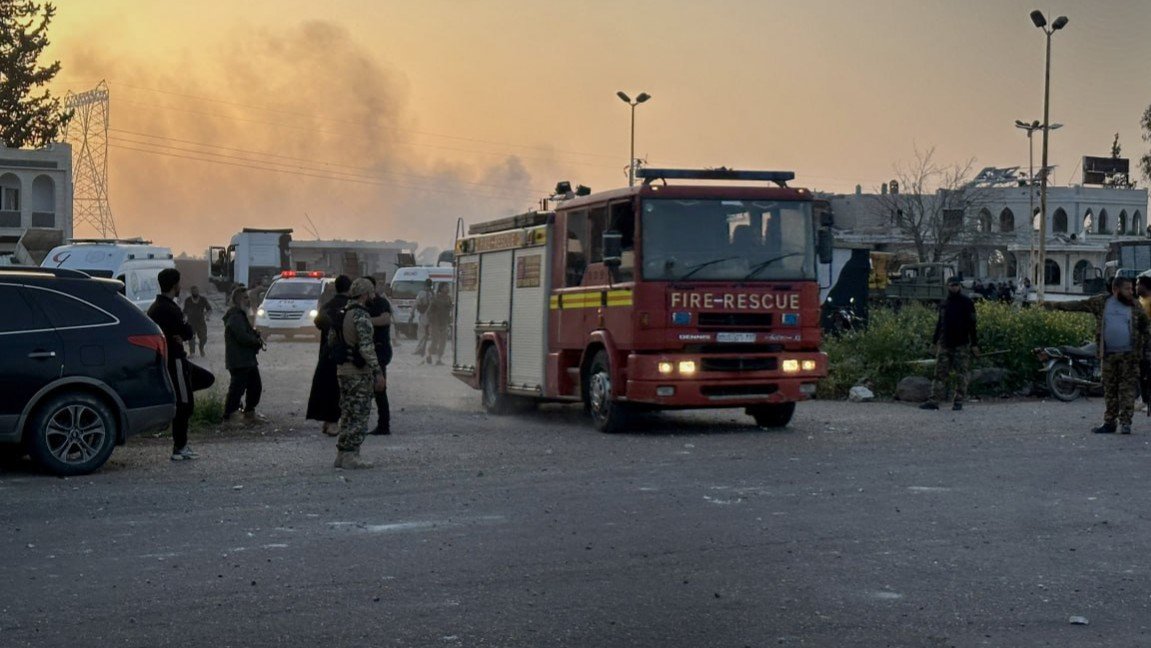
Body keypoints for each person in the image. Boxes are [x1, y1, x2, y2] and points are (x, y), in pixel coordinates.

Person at [1046, 275, 1151, 434]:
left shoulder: (1135, 306)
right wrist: (1054, 305)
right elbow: (1078, 305)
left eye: (1131, 288)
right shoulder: (1102, 303)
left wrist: (1145, 350)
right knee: (1110, 389)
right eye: (1127, 289)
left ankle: (1126, 423)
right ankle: (1109, 423)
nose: (1131, 291)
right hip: (1108, 355)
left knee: (1127, 390)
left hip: (1129, 357)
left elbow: (1146, 329)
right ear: (1116, 290)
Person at [332, 278, 387, 469]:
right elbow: (366, 347)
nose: (373, 296)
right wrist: (378, 371)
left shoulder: (342, 314)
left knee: (347, 413)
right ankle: (351, 455)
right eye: (371, 293)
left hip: (343, 371)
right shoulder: (361, 316)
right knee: (359, 414)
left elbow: (332, 342)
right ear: (364, 294)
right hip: (358, 373)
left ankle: (342, 454)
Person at [148, 268, 198, 461]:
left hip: (175, 360)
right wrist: (181, 333)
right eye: (179, 283)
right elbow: (187, 331)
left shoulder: (158, 306)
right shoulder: (169, 308)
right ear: (174, 285)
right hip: (175, 360)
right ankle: (180, 446)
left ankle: (181, 444)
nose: (181, 286)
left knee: (202, 379)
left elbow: (185, 331)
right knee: (184, 403)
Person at [921, 277, 979, 411]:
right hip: (945, 343)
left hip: (961, 344)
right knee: (940, 374)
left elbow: (972, 324)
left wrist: (974, 344)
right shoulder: (944, 303)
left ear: (960, 286)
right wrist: (934, 342)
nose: (954, 288)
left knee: (961, 374)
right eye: (952, 285)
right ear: (947, 286)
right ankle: (934, 401)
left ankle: (958, 401)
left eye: (956, 285)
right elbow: (939, 324)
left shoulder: (967, 302)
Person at [307, 275, 351, 436]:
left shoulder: (327, 306)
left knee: (327, 386)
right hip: (343, 356)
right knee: (337, 389)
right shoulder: (348, 307)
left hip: (326, 354)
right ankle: (333, 422)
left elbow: (319, 323)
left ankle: (329, 421)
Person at [222, 288, 266, 426]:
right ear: (238, 300)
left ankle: (249, 414)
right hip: (239, 360)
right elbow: (242, 337)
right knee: (237, 389)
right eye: (245, 298)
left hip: (247, 359)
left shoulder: (240, 315)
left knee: (255, 386)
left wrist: (255, 335)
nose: (248, 300)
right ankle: (229, 417)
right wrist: (256, 341)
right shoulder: (235, 316)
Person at [365, 276, 394, 435]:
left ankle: (384, 425)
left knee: (379, 389)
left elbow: (385, 319)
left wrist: (365, 320)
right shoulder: (362, 303)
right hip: (365, 351)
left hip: (380, 351)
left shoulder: (381, 303)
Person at [426, 282, 453, 366]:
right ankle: (429, 354)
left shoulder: (448, 298)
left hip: (444, 322)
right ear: (441, 288)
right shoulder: (435, 298)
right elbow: (429, 311)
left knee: (443, 342)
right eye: (446, 287)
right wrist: (432, 321)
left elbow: (450, 310)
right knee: (435, 341)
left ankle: (438, 359)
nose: (448, 289)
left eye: (448, 287)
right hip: (435, 322)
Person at [182, 285, 212, 357]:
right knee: (191, 337)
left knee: (203, 338)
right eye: (193, 291)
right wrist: (184, 318)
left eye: (196, 291)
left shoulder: (203, 299)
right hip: (191, 322)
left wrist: (207, 316)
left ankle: (201, 348)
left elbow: (209, 309)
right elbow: (185, 311)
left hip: (201, 322)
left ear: (198, 291)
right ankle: (192, 352)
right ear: (191, 292)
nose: (195, 292)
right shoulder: (188, 300)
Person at [413, 278, 434, 356]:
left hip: (424, 314)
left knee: (421, 332)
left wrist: (412, 313)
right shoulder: (432, 293)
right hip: (431, 315)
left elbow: (416, 303)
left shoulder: (421, 293)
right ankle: (426, 349)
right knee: (428, 333)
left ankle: (420, 349)